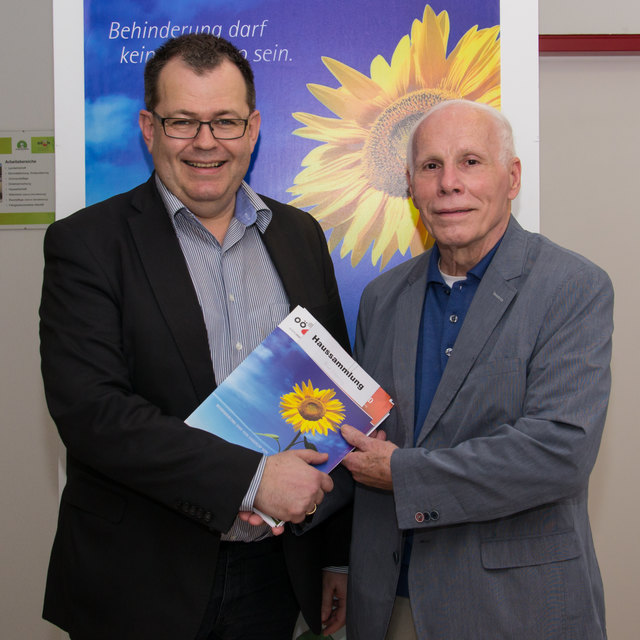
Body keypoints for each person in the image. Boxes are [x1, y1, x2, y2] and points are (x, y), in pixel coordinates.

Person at [40, 34, 350, 640]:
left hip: (276, 571)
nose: (206, 143)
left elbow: (332, 398)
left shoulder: (299, 235)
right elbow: (92, 413)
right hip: (140, 578)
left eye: (225, 122)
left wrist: (335, 552)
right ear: (149, 128)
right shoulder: (88, 245)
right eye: (183, 121)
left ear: (254, 128)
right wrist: (254, 478)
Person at [339, 99, 613, 639]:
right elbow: (358, 441)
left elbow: (559, 451)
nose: (448, 184)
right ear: (411, 184)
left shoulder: (572, 287)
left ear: (511, 177)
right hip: (388, 605)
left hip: (514, 609)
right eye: (431, 166)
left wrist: (404, 474)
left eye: (470, 162)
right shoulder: (381, 298)